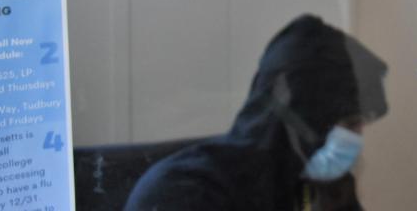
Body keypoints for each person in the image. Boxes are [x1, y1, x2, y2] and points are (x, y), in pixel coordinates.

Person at [125, 15, 389, 211]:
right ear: (305, 120)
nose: (358, 137)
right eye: (350, 123)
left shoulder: (326, 187)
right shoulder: (183, 194)